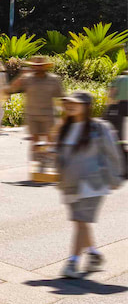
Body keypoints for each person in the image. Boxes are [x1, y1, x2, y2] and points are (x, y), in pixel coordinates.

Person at [56, 91, 123, 278]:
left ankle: (73, 262)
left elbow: (113, 153)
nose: (69, 106)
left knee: (81, 221)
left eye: (74, 103)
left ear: (86, 106)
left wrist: (115, 178)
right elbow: (61, 156)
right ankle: (93, 254)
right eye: (67, 102)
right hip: (71, 183)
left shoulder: (99, 127)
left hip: (93, 183)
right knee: (80, 222)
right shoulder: (65, 127)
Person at [10, 56, 65, 177]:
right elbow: (12, 88)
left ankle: (50, 163)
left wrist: (64, 114)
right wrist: (20, 76)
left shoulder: (53, 80)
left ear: (45, 67)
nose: (37, 68)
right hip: (32, 114)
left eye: (40, 66)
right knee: (35, 141)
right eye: (35, 66)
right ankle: (37, 165)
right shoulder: (27, 79)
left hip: (48, 114)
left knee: (50, 141)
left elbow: (61, 96)